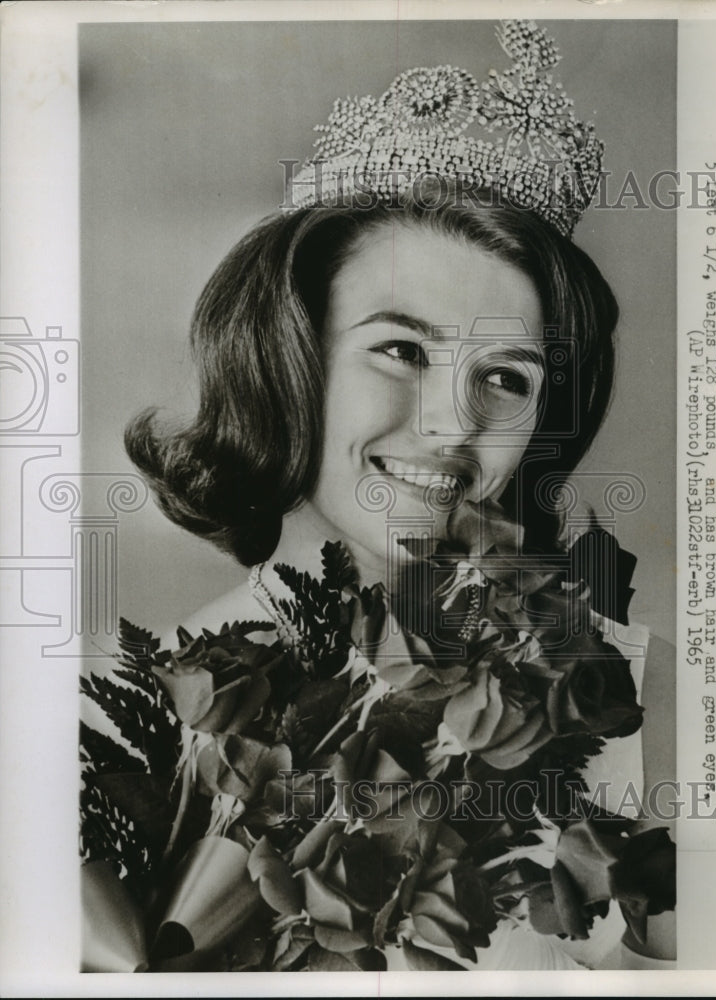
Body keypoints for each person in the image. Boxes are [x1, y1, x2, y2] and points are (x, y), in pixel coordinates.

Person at [89, 20, 676, 971]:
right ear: (288, 361)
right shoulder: (97, 725)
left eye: (508, 377)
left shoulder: (649, 698)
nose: (452, 425)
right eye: (400, 350)